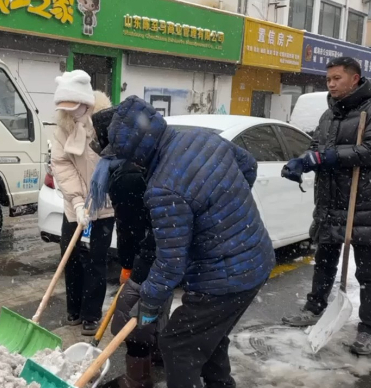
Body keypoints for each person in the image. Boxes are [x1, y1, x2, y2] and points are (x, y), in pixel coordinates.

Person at [87, 96, 276, 388]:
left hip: (225, 277)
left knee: (177, 345)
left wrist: (148, 303)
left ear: (138, 151)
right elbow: (247, 166)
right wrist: (223, 212)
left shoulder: (163, 187)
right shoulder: (200, 137)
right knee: (208, 338)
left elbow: (170, 263)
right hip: (257, 257)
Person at [280, 57, 371, 356]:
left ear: (354, 79)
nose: (330, 84)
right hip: (331, 202)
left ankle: (368, 331)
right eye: (328, 79)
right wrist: (304, 160)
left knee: (368, 274)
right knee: (325, 262)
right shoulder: (328, 114)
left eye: (337, 78)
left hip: (363, 205)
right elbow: (318, 147)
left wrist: (327, 158)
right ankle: (314, 308)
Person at [91, 106, 170, 388]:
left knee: (131, 316)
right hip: (167, 247)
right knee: (156, 307)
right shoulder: (144, 160)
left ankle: (137, 379)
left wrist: (129, 267)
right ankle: (159, 354)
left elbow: (130, 227)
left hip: (155, 249)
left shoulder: (124, 175)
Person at [51, 69, 115, 336]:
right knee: (72, 258)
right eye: (65, 107)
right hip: (74, 208)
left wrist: (97, 198)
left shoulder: (107, 124)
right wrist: (77, 202)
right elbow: (62, 165)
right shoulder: (61, 130)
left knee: (96, 262)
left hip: (103, 207)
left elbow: (115, 162)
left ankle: (91, 315)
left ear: (86, 102)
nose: (70, 112)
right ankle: (74, 310)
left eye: (74, 106)